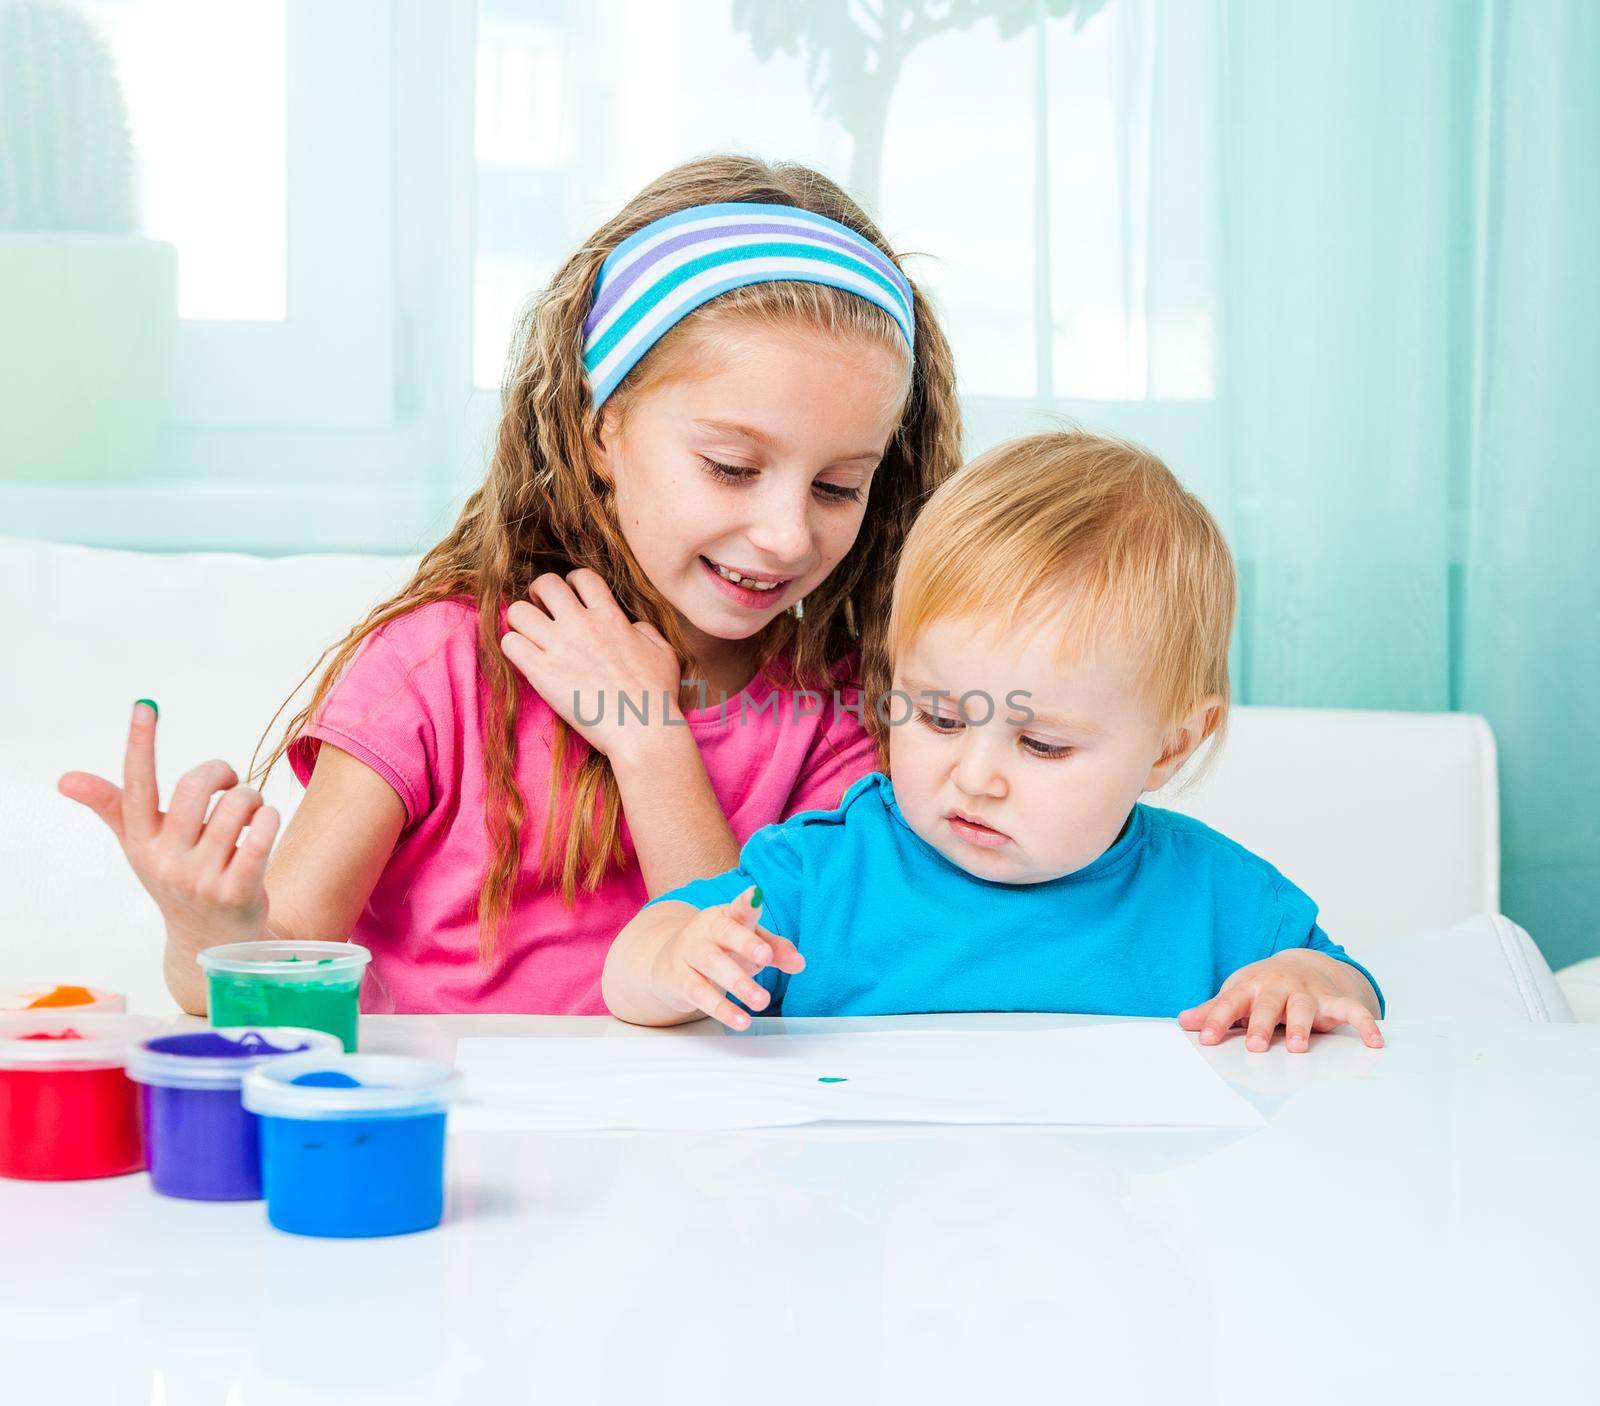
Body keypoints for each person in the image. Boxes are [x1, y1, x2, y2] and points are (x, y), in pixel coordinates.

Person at [57, 155, 962, 1015]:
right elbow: (275, 970)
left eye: (839, 486)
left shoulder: (840, 707)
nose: (786, 533)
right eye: (730, 467)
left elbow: (766, 988)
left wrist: (649, 743)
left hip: (695, 1166)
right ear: (602, 430)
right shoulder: (438, 667)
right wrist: (210, 929)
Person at [603, 430, 1386, 1053]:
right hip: (865, 1235)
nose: (975, 777)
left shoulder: (1214, 895)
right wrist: (679, 960)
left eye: (1042, 744)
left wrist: (1300, 982)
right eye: (940, 719)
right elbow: (636, 962)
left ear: (1170, 747)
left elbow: (1345, 985)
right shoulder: (824, 873)